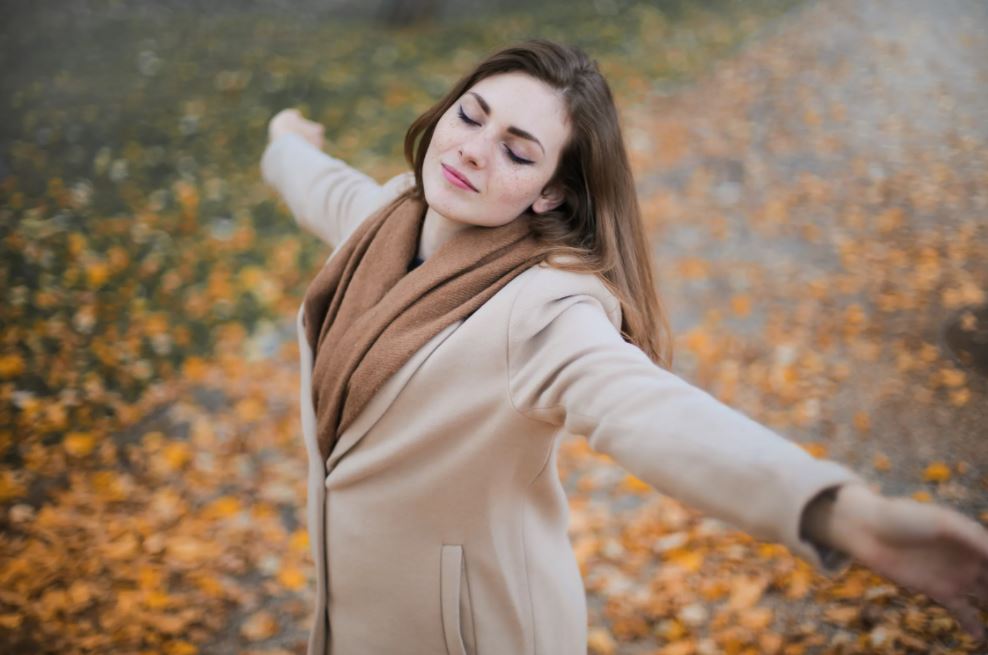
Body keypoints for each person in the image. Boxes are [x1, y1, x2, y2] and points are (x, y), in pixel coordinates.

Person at [260, 39, 987, 655]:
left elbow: (652, 412)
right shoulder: (385, 218)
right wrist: (286, 140)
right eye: (470, 116)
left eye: (518, 152)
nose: (473, 152)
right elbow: (322, 186)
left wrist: (840, 513)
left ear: (549, 193)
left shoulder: (543, 308)